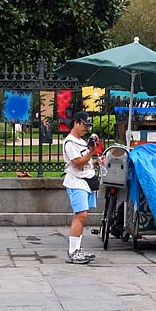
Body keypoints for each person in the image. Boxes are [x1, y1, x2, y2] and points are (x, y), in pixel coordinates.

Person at [62, 111, 98, 264]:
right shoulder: (70, 143)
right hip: (76, 181)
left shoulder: (81, 142)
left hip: (85, 181)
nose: (86, 128)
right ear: (76, 122)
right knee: (81, 215)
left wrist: (96, 161)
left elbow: (85, 162)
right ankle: (73, 251)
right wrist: (92, 153)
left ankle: (76, 249)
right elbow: (77, 163)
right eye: (85, 125)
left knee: (82, 216)